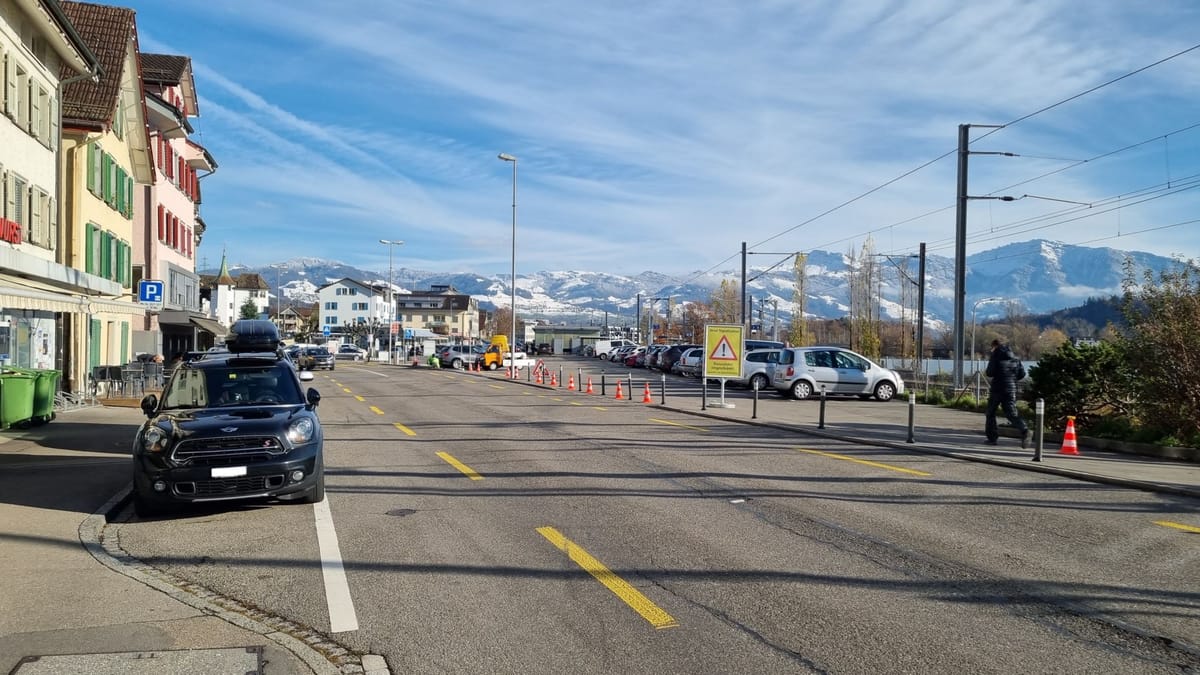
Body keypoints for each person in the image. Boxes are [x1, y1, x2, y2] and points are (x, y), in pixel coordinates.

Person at [984, 339, 1029, 448]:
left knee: (990, 413)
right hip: (1011, 390)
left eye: (992, 347)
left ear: (995, 346)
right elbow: (1022, 374)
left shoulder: (996, 356)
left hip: (997, 389)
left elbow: (989, 373)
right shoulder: (1016, 358)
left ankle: (992, 438)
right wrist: (1012, 379)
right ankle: (1025, 430)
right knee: (1011, 413)